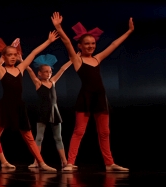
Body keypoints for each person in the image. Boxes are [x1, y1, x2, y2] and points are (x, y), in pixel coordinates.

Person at [0, 31, 59, 172]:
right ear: (4, 57)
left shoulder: (20, 68)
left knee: (29, 137)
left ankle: (42, 163)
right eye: (10, 55)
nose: (13, 57)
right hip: (5, 106)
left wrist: (49, 41)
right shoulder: (1, 70)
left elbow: (34, 53)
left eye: (15, 54)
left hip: (19, 106)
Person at [51, 13, 133, 172]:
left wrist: (129, 31)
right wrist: (59, 28)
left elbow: (114, 45)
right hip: (86, 98)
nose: (90, 46)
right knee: (79, 131)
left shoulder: (97, 58)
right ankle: (70, 163)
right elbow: (67, 42)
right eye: (87, 44)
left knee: (105, 132)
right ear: (80, 46)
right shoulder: (77, 60)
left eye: (93, 43)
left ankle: (109, 164)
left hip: (100, 98)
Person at [25, 54, 72, 168]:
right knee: (39, 138)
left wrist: (72, 61)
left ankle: (64, 162)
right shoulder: (38, 83)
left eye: (50, 71)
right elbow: (29, 70)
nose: (48, 73)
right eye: (46, 72)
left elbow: (62, 69)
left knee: (58, 138)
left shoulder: (53, 82)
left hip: (54, 111)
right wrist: (22, 60)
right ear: (40, 73)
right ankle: (36, 161)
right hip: (43, 112)